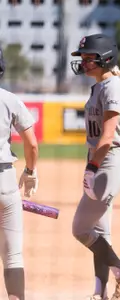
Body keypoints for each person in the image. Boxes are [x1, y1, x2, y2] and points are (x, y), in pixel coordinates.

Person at [70, 33, 120, 300]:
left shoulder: (113, 87)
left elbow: (107, 137)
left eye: (90, 58)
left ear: (106, 58)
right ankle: (100, 292)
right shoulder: (100, 86)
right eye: (83, 58)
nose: (85, 63)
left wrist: (91, 168)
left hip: (109, 162)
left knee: (81, 229)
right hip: (101, 161)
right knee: (100, 234)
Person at [0, 46, 39, 300]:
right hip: (4, 181)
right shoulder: (9, 99)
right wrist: (30, 171)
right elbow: (32, 144)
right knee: (13, 255)